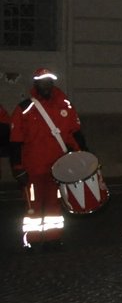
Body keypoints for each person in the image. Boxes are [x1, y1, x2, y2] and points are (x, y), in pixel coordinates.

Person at [11, 67, 87, 248]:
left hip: (58, 168)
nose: (46, 84)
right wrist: (17, 167)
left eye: (49, 81)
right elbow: (15, 141)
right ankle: (33, 241)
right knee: (34, 207)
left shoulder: (65, 106)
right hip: (33, 168)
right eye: (42, 81)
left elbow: (74, 135)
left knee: (55, 205)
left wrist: (84, 157)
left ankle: (53, 239)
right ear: (36, 84)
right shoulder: (24, 109)